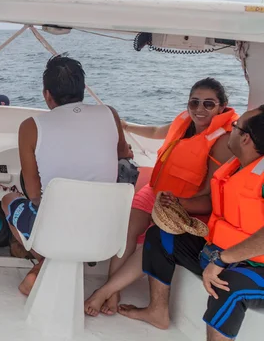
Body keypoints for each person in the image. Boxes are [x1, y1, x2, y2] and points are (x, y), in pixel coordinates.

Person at [85, 78, 238, 316]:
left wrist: (179, 204)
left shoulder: (222, 141)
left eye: (209, 104)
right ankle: (113, 292)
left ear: (222, 106)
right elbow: (157, 131)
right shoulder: (184, 121)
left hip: (182, 205)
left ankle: (105, 291)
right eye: (194, 102)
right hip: (156, 190)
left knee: (151, 242)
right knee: (127, 230)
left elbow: (210, 193)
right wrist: (126, 126)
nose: (199, 109)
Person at [119, 106, 264, 341]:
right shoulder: (236, 166)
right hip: (219, 253)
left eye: (235, 127)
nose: (231, 130)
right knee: (160, 235)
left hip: (255, 267)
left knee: (228, 287)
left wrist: (223, 259)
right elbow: (214, 203)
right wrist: (178, 204)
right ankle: (157, 311)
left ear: (245, 138)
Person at [0, 53, 132, 295]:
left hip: (55, 233)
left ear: (47, 95)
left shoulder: (31, 127)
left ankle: (45, 262)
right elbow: (124, 153)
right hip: (106, 233)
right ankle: (50, 263)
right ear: (83, 89)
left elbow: (33, 193)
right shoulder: (110, 114)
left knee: (9, 200)